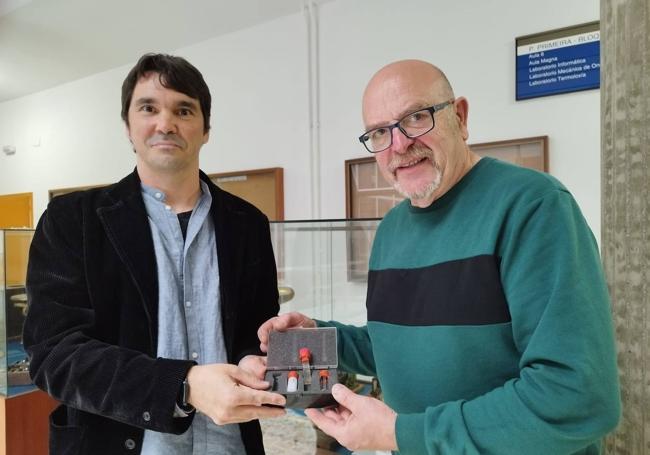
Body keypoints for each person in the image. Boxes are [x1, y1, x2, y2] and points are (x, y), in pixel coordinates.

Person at [258, 59, 621, 455]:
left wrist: (403, 435)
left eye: (416, 118)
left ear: (460, 118)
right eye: (380, 133)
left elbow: (576, 397)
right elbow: (393, 348)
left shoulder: (533, 207)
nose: (399, 145)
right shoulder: (391, 229)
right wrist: (323, 336)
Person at [23, 53, 286, 455]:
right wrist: (182, 386)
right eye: (149, 108)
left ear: (206, 129)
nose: (166, 124)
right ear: (128, 126)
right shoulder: (72, 221)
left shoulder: (247, 223)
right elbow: (54, 356)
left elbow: (254, 329)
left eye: (184, 109)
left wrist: (255, 359)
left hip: (230, 444)